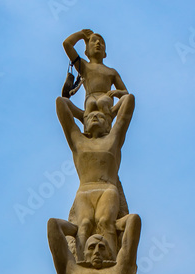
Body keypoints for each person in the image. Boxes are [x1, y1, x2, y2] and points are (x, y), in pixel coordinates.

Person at [54, 93, 135, 260]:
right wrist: (82, 114)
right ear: (84, 124)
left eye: (100, 117)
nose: (95, 117)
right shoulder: (78, 141)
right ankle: (83, 262)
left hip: (107, 189)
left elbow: (129, 100)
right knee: (83, 225)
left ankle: (110, 260)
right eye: (91, 118)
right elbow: (61, 103)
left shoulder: (113, 139)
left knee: (105, 221)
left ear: (108, 125)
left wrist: (110, 110)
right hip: (85, 191)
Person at [62, 29, 127, 113]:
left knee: (103, 102)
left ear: (105, 54)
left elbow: (125, 93)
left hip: (106, 98)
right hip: (90, 98)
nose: (98, 43)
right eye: (93, 41)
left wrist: (117, 93)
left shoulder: (112, 72)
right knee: (87, 103)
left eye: (101, 42)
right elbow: (67, 44)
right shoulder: (84, 66)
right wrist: (81, 34)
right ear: (86, 52)